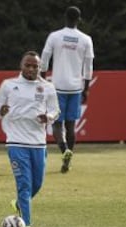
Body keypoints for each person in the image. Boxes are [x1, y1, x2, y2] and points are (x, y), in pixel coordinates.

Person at [0, 51, 60, 227]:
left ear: (40, 67)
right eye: (27, 65)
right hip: (15, 142)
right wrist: (2, 110)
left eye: (35, 66)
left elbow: (55, 111)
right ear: (21, 65)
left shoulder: (47, 87)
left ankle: (19, 204)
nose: (31, 69)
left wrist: (47, 117)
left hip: (38, 143)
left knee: (37, 184)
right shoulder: (8, 85)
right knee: (24, 185)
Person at [40, 6, 94, 173]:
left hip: (57, 87)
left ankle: (64, 151)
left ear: (65, 18)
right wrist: (86, 89)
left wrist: (42, 81)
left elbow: (44, 60)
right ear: (79, 20)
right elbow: (88, 67)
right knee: (71, 126)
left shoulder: (55, 36)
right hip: (75, 88)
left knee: (57, 124)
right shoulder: (86, 39)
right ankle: (68, 156)